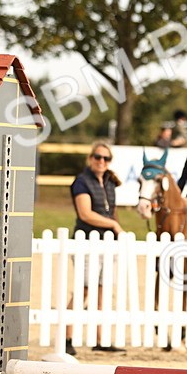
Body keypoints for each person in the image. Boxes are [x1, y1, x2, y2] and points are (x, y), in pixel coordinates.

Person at [66, 141, 123, 355]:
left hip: (107, 243)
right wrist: (114, 225)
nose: (101, 161)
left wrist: (115, 229)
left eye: (106, 158)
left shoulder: (110, 182)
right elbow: (85, 214)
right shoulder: (81, 182)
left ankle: (101, 339)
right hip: (87, 242)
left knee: (103, 291)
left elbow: (112, 211)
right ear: (90, 158)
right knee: (84, 289)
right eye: (98, 157)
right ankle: (66, 338)